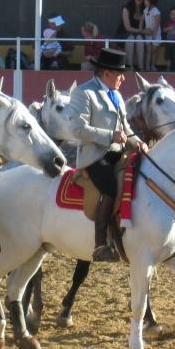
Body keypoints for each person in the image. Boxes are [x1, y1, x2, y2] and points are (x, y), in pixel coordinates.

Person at [69, 48, 148, 262]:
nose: (123, 78)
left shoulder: (118, 96)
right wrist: (110, 136)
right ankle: (100, 244)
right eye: (120, 74)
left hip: (118, 153)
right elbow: (77, 129)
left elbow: (126, 130)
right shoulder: (84, 93)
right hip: (94, 157)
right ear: (106, 73)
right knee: (111, 188)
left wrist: (138, 142)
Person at [120, 0, 147, 71]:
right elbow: (127, 28)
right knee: (130, 39)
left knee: (139, 38)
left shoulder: (146, 9)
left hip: (140, 34)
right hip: (125, 33)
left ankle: (141, 67)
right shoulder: (126, 8)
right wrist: (141, 31)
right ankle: (130, 66)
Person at [142, 0, 162, 71]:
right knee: (148, 51)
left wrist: (154, 34)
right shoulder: (145, 10)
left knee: (153, 52)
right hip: (147, 34)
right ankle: (147, 66)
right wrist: (141, 29)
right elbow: (142, 19)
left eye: (146, 0)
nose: (144, 1)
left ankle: (152, 65)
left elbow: (157, 23)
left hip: (155, 35)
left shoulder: (156, 11)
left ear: (151, 1)